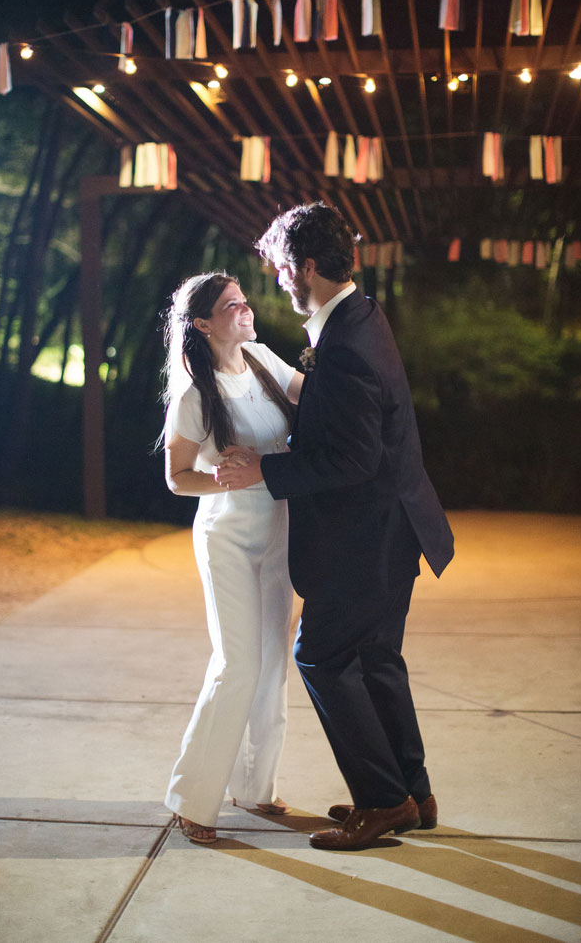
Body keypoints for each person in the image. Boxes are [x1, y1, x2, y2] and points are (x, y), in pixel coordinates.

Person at [216, 203, 455, 852]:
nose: (278, 281)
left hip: (366, 534)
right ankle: (412, 793)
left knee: (319, 654)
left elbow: (351, 459)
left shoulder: (345, 344)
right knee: (374, 658)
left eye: (281, 268)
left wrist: (264, 469)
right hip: (395, 524)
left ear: (307, 267)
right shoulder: (361, 316)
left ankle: (383, 803)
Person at [161, 271, 303, 844]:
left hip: (283, 534)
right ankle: (192, 798)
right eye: (231, 305)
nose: (245, 310)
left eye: (244, 301)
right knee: (237, 664)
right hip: (228, 537)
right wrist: (229, 480)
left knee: (273, 665)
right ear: (202, 323)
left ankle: (255, 789)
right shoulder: (197, 392)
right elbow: (176, 478)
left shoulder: (266, 360)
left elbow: (317, 402)